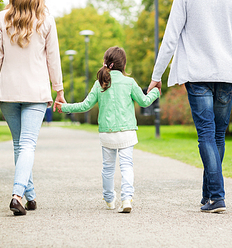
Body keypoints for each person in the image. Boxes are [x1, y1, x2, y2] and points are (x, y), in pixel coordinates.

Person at [148, 0, 232, 213]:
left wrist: (156, 76)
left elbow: (170, 39)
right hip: (227, 74)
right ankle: (209, 195)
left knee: (207, 133)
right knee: (217, 135)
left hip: (197, 74)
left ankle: (216, 196)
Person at [0, 0, 65, 216]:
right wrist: (58, 90)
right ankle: (17, 194)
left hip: (7, 90)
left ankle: (30, 196)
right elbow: (54, 59)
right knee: (27, 144)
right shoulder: (46, 20)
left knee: (20, 145)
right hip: (36, 92)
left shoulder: (2, 18)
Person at [55, 47, 160, 213]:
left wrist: (65, 107)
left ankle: (110, 199)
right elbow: (145, 102)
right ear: (123, 64)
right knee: (127, 166)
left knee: (108, 168)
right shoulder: (130, 82)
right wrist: (155, 92)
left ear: (106, 63)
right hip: (127, 132)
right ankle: (126, 199)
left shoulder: (100, 83)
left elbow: (85, 106)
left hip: (107, 134)